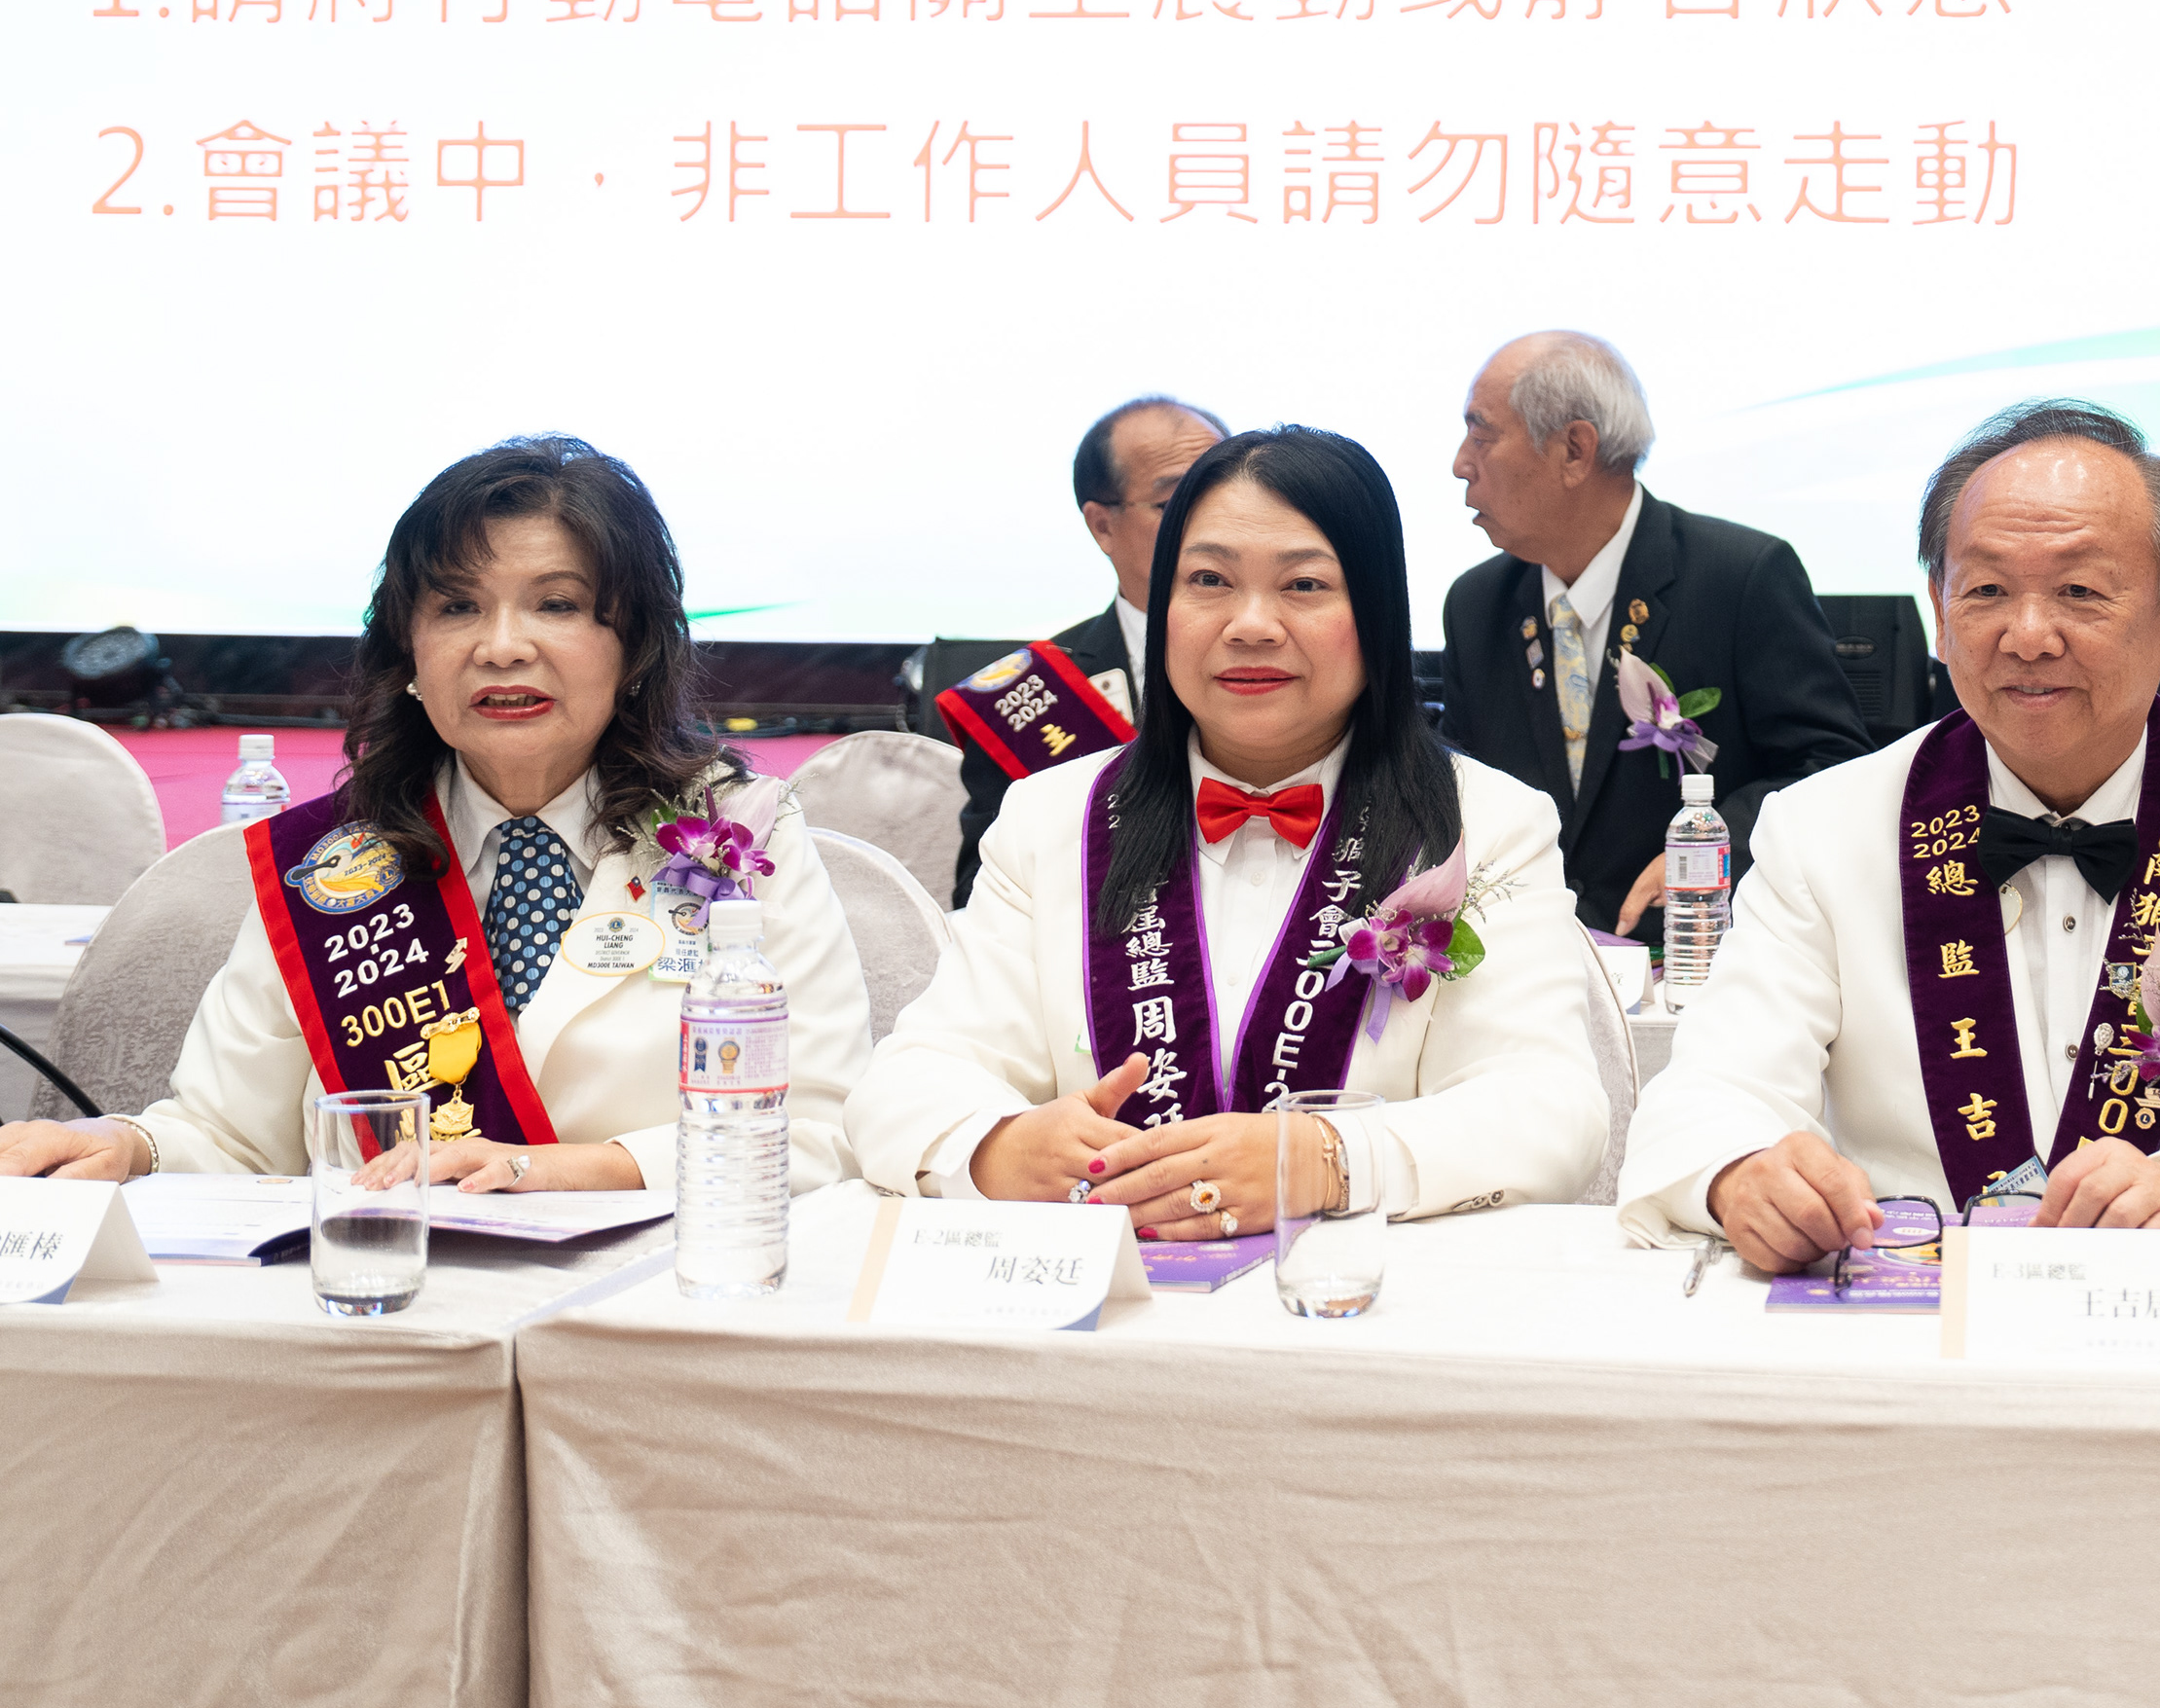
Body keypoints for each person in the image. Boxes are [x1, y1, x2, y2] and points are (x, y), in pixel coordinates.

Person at [1617, 399, 2160, 1273]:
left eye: (2080, 592)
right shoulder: (1821, 831)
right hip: (1903, 1312)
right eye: (1987, 591)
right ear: (1939, 611)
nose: (2028, 637)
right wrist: (1741, 1173)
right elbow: (1710, 1087)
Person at [0, 437, 869, 1194]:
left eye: (557, 604)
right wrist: (130, 1148)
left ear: (635, 645)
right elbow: (229, 1137)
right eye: (457, 607)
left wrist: (565, 1170)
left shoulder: (738, 836)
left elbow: (821, 1136)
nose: (502, 646)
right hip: (395, 1300)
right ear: (408, 651)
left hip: (654, 1298)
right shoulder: (335, 860)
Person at [849, 425, 1610, 1230]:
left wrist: (1326, 1159)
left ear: (1378, 611)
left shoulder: (1482, 822)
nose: (1251, 624)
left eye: (1304, 585)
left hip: (1360, 1288)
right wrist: (998, 1146)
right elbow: (907, 1082)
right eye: (1208, 580)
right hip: (1108, 1289)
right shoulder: (1054, 816)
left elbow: (1550, 1113)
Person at [1441, 331, 1870, 939]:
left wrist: (1712, 847)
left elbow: (1832, 769)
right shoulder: (1477, 604)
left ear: (1575, 450)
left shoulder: (1739, 576)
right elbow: (1460, 791)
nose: (1461, 463)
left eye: (1482, 435)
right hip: (1527, 951)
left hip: (1698, 948)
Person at [942, 393, 1230, 906]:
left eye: (1226, 494)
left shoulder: (1317, 661)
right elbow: (982, 901)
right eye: (1173, 503)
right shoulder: (1029, 698)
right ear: (1102, 525)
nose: (1212, 521)